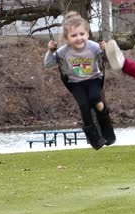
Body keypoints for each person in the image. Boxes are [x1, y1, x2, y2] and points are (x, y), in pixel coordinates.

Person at [44, 11, 115, 150]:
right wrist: (51, 51)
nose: (79, 38)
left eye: (82, 34)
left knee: (95, 98)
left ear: (87, 34)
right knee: (84, 106)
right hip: (76, 83)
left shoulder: (94, 47)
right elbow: (48, 64)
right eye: (74, 35)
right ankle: (96, 140)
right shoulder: (63, 51)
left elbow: (109, 60)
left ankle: (108, 130)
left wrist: (105, 50)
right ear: (67, 37)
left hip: (94, 79)